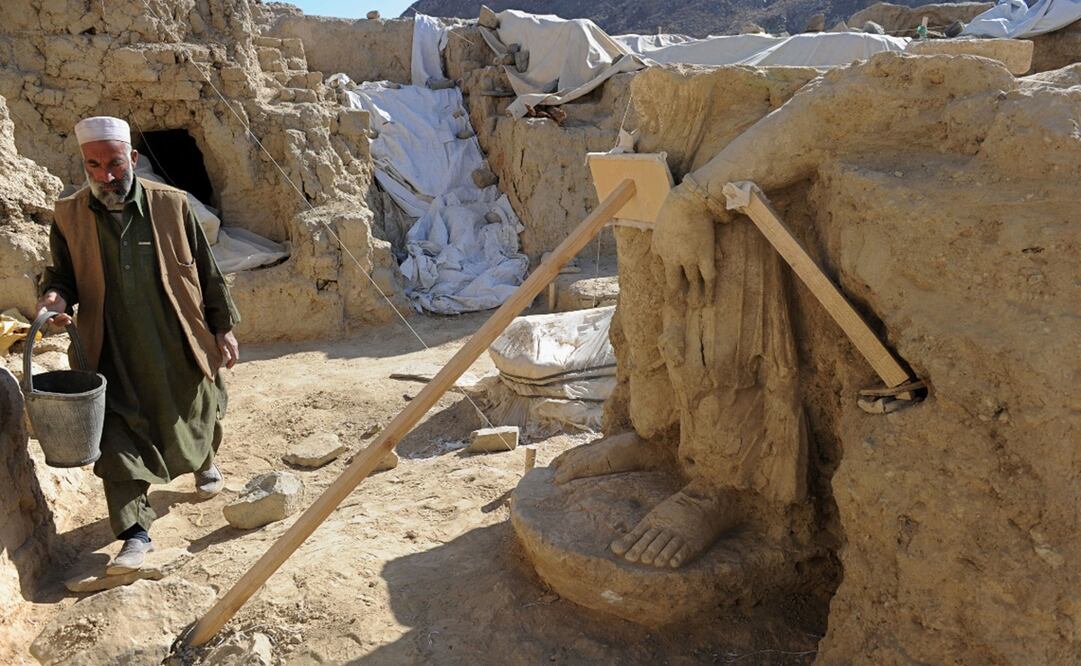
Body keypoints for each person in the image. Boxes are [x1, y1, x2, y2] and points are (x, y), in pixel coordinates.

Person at [37, 116, 240, 573]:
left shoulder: (172, 204)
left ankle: (203, 458)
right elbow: (61, 276)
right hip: (110, 347)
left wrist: (222, 326)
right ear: (84, 165)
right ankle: (134, 534)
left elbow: (207, 271)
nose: (106, 175)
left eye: (114, 163)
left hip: (175, 337)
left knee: (193, 408)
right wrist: (53, 300)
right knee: (116, 435)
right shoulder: (68, 214)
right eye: (94, 165)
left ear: (132, 158)